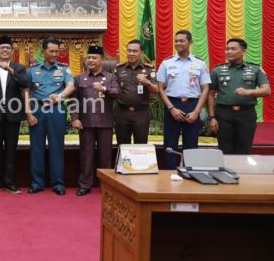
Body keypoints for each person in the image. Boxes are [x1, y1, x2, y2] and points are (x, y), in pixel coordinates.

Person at [25, 38, 74, 195]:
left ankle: (58, 183)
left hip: (56, 110)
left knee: (57, 147)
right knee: (36, 147)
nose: (54, 54)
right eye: (51, 51)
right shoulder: (32, 70)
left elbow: (70, 86)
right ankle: (37, 183)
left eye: (57, 51)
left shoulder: (64, 69)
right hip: (37, 110)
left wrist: (60, 96)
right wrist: (28, 112)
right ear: (43, 52)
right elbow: (26, 92)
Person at [0, 36, 29, 194]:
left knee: (11, 150)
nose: (5, 50)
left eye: (8, 48)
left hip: (12, 115)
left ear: (12, 51)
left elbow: (25, 84)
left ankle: (9, 182)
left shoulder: (19, 68)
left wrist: (11, 71)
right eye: (2, 48)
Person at [156, 30, 211, 169]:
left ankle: (190, 173)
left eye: (182, 41)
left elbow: (205, 89)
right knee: (169, 144)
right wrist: (171, 108)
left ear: (190, 42)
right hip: (172, 104)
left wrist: (196, 112)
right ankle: (169, 173)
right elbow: (160, 88)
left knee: (191, 144)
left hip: (192, 105)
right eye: (176, 41)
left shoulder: (200, 63)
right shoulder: (167, 63)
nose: (178, 43)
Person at [70, 46, 120, 196]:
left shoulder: (111, 78)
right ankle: (85, 185)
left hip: (105, 122)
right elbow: (73, 100)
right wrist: (75, 118)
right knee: (86, 156)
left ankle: (106, 185)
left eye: (94, 58)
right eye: (89, 58)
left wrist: (104, 89)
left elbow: (117, 94)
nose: (90, 60)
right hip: (86, 123)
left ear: (102, 60)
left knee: (105, 157)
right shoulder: (79, 78)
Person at [207, 38, 270, 154]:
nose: (228, 51)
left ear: (243, 51)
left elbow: (267, 90)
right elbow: (210, 95)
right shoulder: (217, 70)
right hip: (223, 114)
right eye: (227, 49)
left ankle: (242, 167)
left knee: (244, 149)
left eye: (233, 49)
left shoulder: (255, 69)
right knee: (224, 149)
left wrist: (249, 92)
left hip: (246, 114)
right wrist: (212, 117)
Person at [114, 40, 159, 145]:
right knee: (122, 146)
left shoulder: (149, 69)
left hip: (141, 113)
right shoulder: (119, 69)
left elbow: (156, 90)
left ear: (141, 52)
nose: (131, 53)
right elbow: (113, 90)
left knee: (141, 146)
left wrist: (147, 83)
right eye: (129, 51)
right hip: (122, 113)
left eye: (135, 51)